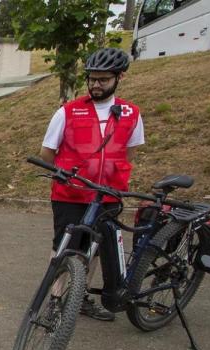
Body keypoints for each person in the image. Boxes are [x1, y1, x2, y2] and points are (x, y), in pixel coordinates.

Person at [39, 47, 144, 322]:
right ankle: (55, 300)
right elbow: (47, 152)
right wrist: (65, 174)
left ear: (119, 78)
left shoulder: (131, 113)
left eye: (103, 80)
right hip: (71, 194)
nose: (96, 84)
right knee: (65, 248)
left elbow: (130, 152)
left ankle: (80, 296)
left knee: (95, 248)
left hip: (108, 195)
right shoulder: (68, 111)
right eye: (92, 79)